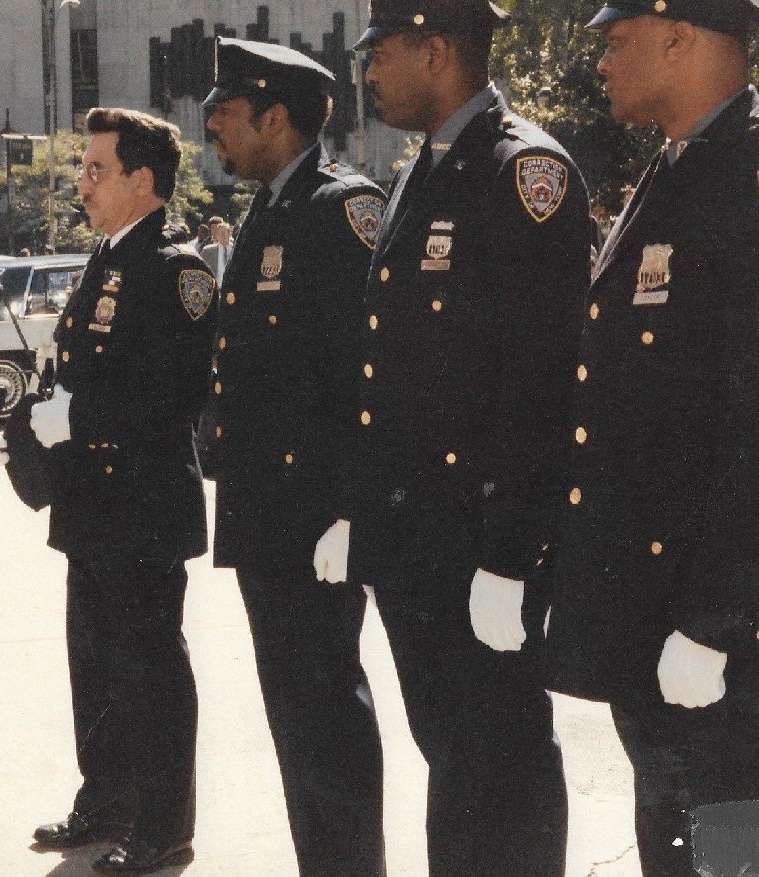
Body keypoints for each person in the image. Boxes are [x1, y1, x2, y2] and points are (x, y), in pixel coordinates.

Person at [314, 2, 593, 874]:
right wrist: (362, 512)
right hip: (417, 546)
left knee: (502, 769)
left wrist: (511, 557)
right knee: (455, 764)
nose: (368, 72)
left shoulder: (523, 174)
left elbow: (543, 388)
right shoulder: (417, 171)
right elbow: (387, 369)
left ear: (436, 50)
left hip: (479, 549)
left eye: (381, 53)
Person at [543, 4, 759, 874]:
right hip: (652, 611)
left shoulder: (742, 175)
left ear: (680, 35)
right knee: (680, 847)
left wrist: (720, 614)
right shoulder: (676, 169)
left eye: (615, 38)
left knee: (732, 850)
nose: (600, 59)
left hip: (716, 634)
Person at [202, 37, 387, 876]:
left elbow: (364, 372)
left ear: (275, 118)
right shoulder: (269, 208)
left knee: (328, 723)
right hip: (267, 517)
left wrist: (354, 506)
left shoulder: (339, 208)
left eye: (226, 113)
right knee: (294, 721)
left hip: (315, 521)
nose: (211, 129)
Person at [22, 107, 216, 875]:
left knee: (150, 667)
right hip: (91, 506)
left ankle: (165, 824)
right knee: (94, 662)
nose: (83, 182)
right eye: (83, 167)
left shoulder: (178, 268)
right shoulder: (106, 257)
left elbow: (175, 395)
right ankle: (107, 798)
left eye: (97, 169)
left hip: (142, 504)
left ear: (143, 181)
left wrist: (77, 415)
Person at [197, 216, 233, 285]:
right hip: (214, 288)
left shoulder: (236, 250)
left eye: (224, 232)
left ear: (229, 233)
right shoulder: (207, 251)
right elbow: (201, 271)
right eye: (219, 233)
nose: (222, 235)